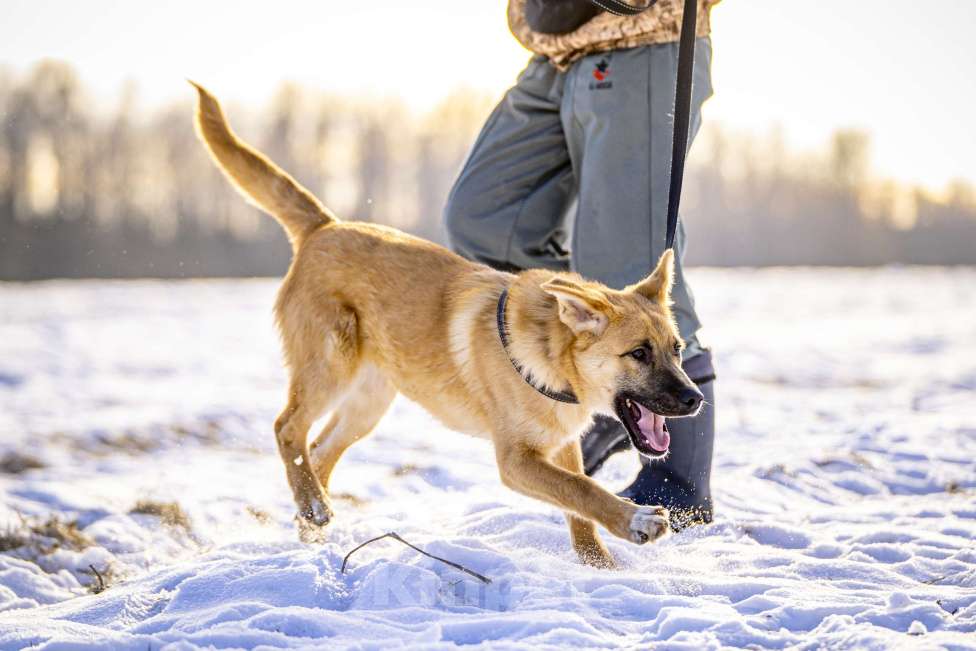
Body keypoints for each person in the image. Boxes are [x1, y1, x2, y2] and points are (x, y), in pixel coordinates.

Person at [443, 0, 719, 530]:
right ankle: (598, 378)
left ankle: (678, 484)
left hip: (643, 38)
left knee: (629, 264)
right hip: (554, 49)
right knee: (482, 220)